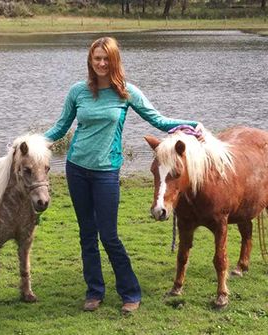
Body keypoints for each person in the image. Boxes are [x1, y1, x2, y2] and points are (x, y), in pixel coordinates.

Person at [44, 36, 204, 313]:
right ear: (90, 61)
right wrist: (30, 143)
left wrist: (191, 124)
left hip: (106, 171)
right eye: (97, 58)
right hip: (76, 168)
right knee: (86, 234)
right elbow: (59, 129)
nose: (101, 63)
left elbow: (158, 120)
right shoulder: (77, 92)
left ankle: (131, 292)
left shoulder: (126, 92)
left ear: (115, 61)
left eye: (107, 58)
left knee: (108, 234)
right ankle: (94, 292)